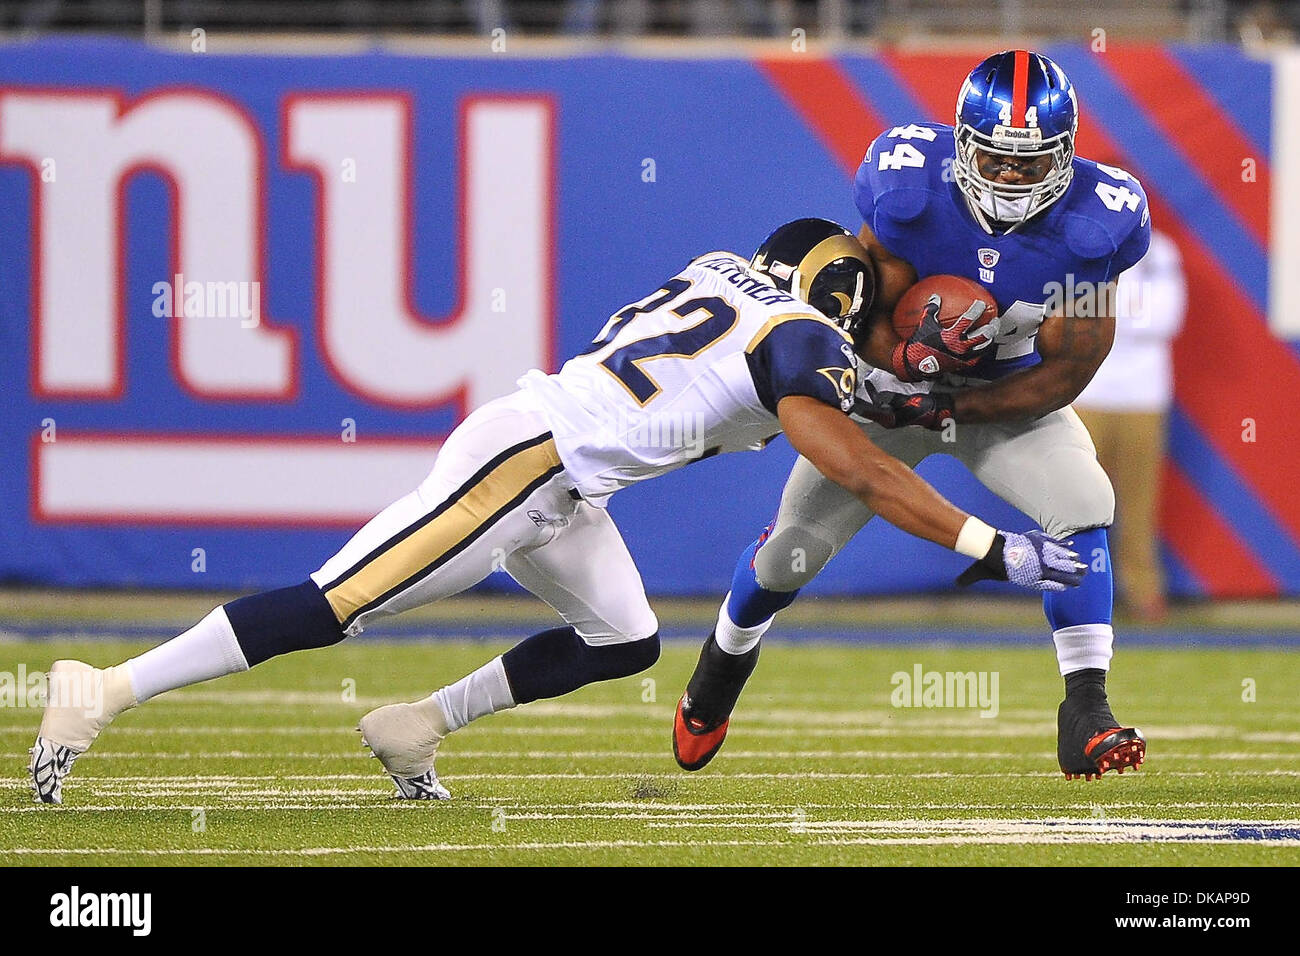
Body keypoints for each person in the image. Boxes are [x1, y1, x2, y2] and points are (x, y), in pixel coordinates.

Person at [29, 218, 1084, 805]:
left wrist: (902, 390)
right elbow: (856, 464)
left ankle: (416, 724)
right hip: (523, 463)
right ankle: (105, 685)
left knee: (624, 638)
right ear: (841, 299)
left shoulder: (718, 271)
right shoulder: (801, 333)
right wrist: (992, 544)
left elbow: (797, 387)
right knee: (337, 601)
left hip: (564, 478)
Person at [674, 51, 1150, 782]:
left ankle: (1087, 705)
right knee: (789, 552)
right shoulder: (910, 193)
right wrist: (904, 370)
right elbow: (861, 314)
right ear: (962, 145)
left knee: (1085, 503)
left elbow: (1067, 371)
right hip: (888, 388)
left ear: (1067, 154)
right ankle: (720, 668)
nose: (1011, 179)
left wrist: (958, 403)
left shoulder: (1097, 227)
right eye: (995, 159)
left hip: (1004, 393)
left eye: (1031, 164)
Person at [1075, 229, 1185, 621]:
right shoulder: (1078, 244)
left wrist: (1108, 311)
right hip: (1085, 391)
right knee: (1075, 502)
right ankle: (1076, 593)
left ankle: (1143, 591)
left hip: (1144, 395)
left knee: (1140, 502)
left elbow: (1166, 317)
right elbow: (1070, 313)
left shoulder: (1160, 251)